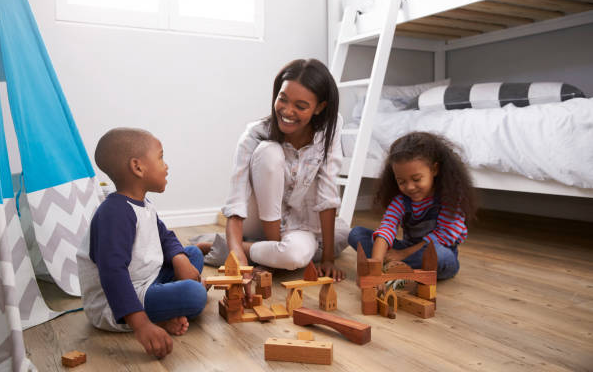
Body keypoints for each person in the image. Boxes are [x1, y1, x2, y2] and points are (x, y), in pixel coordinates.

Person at [196, 58, 349, 282]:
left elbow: (327, 193)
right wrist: (237, 256)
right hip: (257, 218)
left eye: (301, 106)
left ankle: (239, 247)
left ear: (320, 107)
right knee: (269, 151)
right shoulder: (254, 134)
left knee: (338, 238)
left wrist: (327, 259)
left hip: (298, 220)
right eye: (282, 99)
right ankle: (253, 248)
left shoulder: (331, 127)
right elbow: (236, 200)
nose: (287, 111)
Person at [77, 128, 207, 359]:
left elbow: (164, 236)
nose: (166, 165)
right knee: (195, 295)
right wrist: (142, 325)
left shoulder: (142, 204)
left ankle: (167, 304)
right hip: (116, 301)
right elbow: (113, 273)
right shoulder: (114, 214)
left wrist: (179, 260)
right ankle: (159, 314)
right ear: (138, 167)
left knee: (191, 255)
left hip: (146, 279)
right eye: (160, 157)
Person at [348, 131, 476, 280]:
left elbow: (442, 237)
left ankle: (396, 267)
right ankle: (395, 269)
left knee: (441, 257)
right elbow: (387, 228)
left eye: (416, 179)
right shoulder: (401, 201)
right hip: (406, 250)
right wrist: (376, 262)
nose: (409, 187)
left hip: (436, 253)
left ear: (434, 170)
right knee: (356, 234)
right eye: (401, 181)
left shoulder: (450, 199)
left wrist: (401, 255)